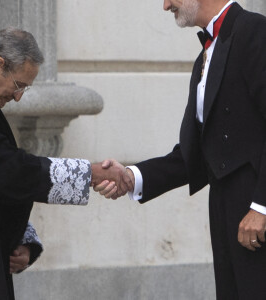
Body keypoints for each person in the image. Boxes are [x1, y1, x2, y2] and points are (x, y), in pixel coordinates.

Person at [95, 0, 266, 298]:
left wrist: (261, 207)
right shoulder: (205, 54)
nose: (165, 5)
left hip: (255, 214)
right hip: (225, 212)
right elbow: (195, 152)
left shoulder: (255, 31)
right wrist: (132, 176)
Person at [0, 27, 133, 300]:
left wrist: (24, 240)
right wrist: (87, 173)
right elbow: (8, 171)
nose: (18, 97)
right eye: (18, 85)